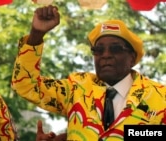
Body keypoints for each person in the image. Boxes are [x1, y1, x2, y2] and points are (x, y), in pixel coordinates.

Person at [11, 5, 166, 140]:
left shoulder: (160, 97)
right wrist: (36, 35)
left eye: (115, 48)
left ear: (132, 58)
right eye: (98, 50)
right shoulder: (77, 88)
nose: (106, 55)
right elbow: (25, 86)